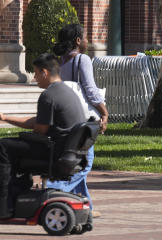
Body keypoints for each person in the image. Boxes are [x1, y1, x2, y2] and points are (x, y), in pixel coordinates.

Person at [0, 53, 86, 218]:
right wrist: (6, 118)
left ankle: (1, 204)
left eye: (36, 73)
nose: (34, 78)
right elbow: (38, 122)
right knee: (13, 148)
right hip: (66, 151)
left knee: (3, 146)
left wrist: (26, 135)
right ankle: (14, 191)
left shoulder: (48, 96)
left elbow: (40, 130)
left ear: (45, 72)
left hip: (54, 152)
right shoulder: (66, 91)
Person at [46, 22, 108, 211]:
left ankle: (85, 207)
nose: (88, 40)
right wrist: (104, 112)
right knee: (84, 163)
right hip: (82, 119)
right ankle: (52, 190)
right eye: (86, 36)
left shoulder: (59, 62)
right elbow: (90, 89)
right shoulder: (82, 59)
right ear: (78, 40)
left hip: (63, 116)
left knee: (75, 159)